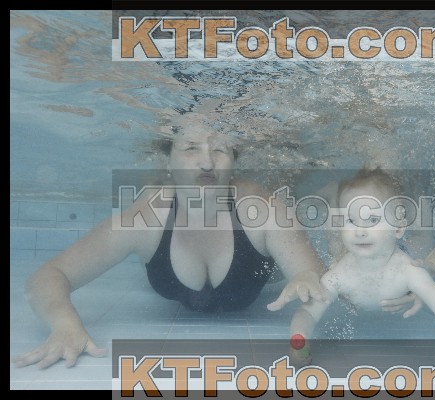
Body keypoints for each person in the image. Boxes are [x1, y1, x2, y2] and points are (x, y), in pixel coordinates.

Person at [12, 115, 330, 369]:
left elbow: (317, 279)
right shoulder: (146, 218)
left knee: (285, 187)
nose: (207, 162)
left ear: (234, 161)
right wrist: (64, 324)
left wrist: (307, 277)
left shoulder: (265, 210)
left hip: (258, 242)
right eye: (190, 148)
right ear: (168, 160)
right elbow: (48, 275)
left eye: (220, 150)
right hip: (167, 200)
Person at [288, 168, 435, 366]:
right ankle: (336, 196)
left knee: (422, 235)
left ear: (399, 229)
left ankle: (418, 189)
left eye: (373, 220)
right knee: (336, 245)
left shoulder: (408, 270)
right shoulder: (339, 275)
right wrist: (300, 335)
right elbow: (308, 312)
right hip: (358, 253)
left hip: (403, 251)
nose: (360, 231)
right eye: (351, 220)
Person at [313, 141, 435, 316]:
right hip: (393, 180)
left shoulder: (410, 255)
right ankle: (337, 197)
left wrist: (430, 266)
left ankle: (340, 196)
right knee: (341, 246)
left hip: (405, 218)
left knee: (417, 231)